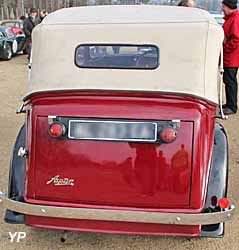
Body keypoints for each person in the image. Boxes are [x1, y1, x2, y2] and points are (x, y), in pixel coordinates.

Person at [222, 0, 239, 115]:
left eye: (223, 7)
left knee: (230, 81)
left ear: (229, 7)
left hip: (231, 57)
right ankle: (230, 103)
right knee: (228, 80)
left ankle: (232, 106)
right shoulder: (231, 18)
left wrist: (225, 48)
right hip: (230, 56)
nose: (222, 9)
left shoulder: (234, 19)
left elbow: (236, 39)